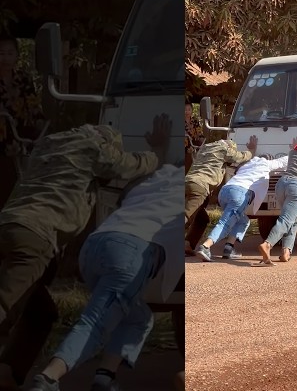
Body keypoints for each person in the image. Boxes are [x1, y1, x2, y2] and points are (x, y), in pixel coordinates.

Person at [0, 114, 170, 391]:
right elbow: (136, 165)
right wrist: (159, 149)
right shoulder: (95, 148)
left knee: (41, 312)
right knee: (6, 306)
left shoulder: (49, 144)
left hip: (8, 225)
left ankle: (7, 374)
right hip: (36, 237)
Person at [26, 162, 184, 391]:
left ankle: (104, 378)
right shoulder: (190, 186)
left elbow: (126, 194)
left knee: (138, 317)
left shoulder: (157, 177)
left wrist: (158, 146)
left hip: (95, 245)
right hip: (133, 250)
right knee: (95, 322)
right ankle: (48, 378)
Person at [195, 153, 289, 262]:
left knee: (243, 221)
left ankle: (228, 249)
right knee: (225, 223)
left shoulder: (246, 165)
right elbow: (285, 160)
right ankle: (205, 247)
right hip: (240, 193)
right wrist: (296, 148)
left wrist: (252, 149)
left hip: (225, 192)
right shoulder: (266, 163)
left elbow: (247, 156)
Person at [184, 136, 257, 256]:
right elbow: (241, 157)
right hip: (200, 186)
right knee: (187, 215)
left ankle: (188, 245)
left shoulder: (206, 148)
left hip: (188, 182)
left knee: (202, 219)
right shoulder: (224, 149)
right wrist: (252, 150)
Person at [0, 35, 46, 208]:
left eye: (10, 53)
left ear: (17, 56)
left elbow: (33, 103)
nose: (5, 58)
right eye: (1, 53)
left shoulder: (23, 78)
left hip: (22, 135)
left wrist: (41, 122)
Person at [184, 102, 204, 173]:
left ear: (191, 110)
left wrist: (201, 138)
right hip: (185, 146)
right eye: (185, 109)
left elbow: (199, 131)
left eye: (189, 109)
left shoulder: (195, 121)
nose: (187, 111)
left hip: (195, 143)